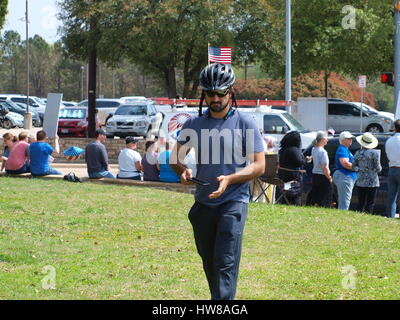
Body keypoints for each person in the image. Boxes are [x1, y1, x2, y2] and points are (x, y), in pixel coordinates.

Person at [170, 63, 265, 300]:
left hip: (234, 201)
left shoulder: (246, 123)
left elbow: (259, 165)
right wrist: (182, 171)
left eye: (220, 93)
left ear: (230, 92)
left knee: (225, 262)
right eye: (210, 93)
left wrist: (230, 179)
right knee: (211, 263)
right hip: (203, 204)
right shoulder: (193, 125)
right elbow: (175, 159)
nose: (215, 98)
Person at [352, 132, 381, 214]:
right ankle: (368, 216)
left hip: (360, 181)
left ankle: (359, 216)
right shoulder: (375, 153)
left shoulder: (358, 153)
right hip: (372, 182)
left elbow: (353, 166)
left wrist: (360, 169)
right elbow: (378, 168)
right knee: (370, 202)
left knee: (360, 202)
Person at [278, 131, 307, 206]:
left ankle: (286, 201)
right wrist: (306, 160)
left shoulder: (282, 150)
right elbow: (299, 162)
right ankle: (295, 202)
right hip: (293, 176)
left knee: (286, 190)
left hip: (283, 176)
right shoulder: (294, 150)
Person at [332, 131, 357, 210]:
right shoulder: (342, 149)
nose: (351, 140)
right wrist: (357, 169)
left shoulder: (345, 149)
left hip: (346, 176)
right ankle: (342, 219)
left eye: (351, 138)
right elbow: (345, 163)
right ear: (343, 140)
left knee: (345, 200)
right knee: (344, 202)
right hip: (345, 176)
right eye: (348, 138)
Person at [310, 131, 332, 208]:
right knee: (324, 197)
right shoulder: (323, 152)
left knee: (316, 196)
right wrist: (329, 177)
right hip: (322, 176)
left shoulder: (314, 149)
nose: (327, 140)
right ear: (322, 139)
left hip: (315, 175)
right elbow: (325, 167)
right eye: (326, 139)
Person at [385, 119, 400, 218]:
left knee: (391, 196)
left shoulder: (389, 140)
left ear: (394, 128)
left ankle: (390, 216)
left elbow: (387, 154)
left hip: (392, 169)